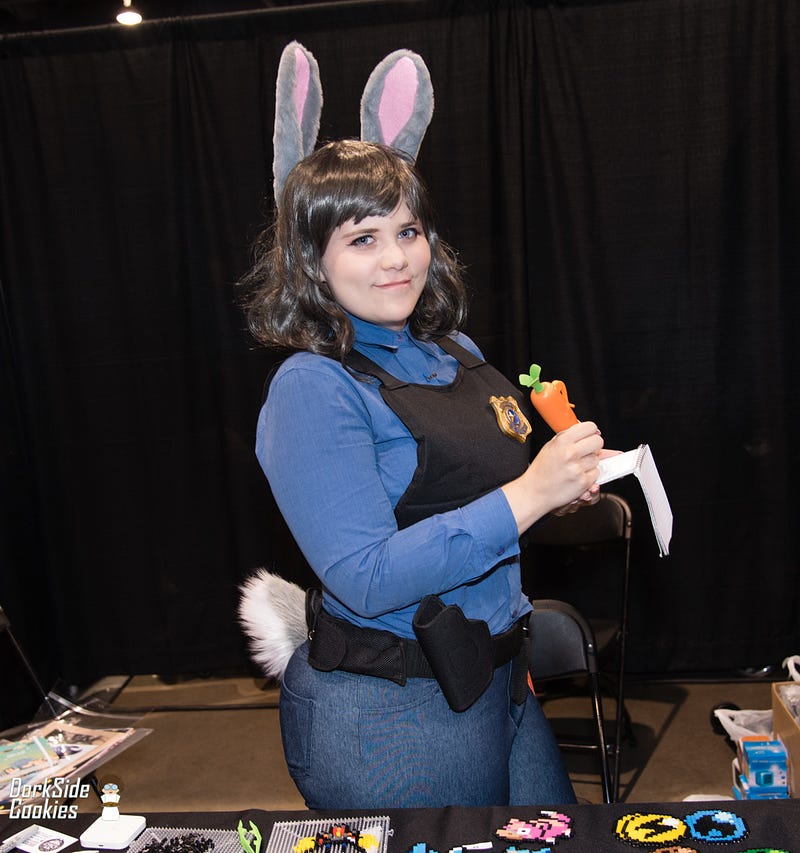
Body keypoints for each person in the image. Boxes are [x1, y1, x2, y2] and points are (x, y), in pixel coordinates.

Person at [240, 137, 614, 809]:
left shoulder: (454, 351)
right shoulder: (313, 387)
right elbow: (365, 576)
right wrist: (528, 493)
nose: (396, 258)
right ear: (312, 261)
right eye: (362, 239)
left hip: (498, 678)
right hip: (394, 712)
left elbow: (478, 502)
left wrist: (555, 493)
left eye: (407, 231)